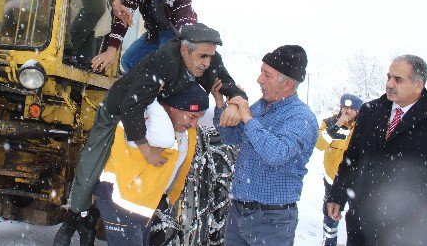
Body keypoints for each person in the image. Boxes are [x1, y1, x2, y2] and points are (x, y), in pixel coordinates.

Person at [53, 23, 246, 246]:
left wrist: (235, 101)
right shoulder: (163, 61)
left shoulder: (207, 59)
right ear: (184, 50)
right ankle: (75, 218)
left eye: (210, 57)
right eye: (202, 56)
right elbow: (131, 105)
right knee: (93, 165)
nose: (207, 62)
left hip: (152, 113)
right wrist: (146, 150)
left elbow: (224, 81)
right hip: (117, 111)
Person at [327, 55, 427, 245]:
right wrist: (338, 194)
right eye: (388, 77)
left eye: (398, 79)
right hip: (362, 222)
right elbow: (353, 158)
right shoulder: (370, 111)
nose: (389, 84)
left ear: (418, 85)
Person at [213, 45, 318, 246]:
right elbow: (229, 137)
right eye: (261, 72)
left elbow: (277, 153)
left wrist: (247, 117)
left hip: (272, 221)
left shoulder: (301, 117)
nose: (259, 80)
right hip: (239, 212)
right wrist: (221, 105)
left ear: (287, 84)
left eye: (267, 75)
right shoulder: (260, 107)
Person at [94, 83, 208, 245]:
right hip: (121, 201)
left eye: (199, 117)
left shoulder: (182, 126)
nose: (194, 124)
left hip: (143, 204)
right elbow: (161, 138)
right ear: (173, 108)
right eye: (192, 116)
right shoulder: (144, 118)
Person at [91, 0, 197, 73]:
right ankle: (140, 87)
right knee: (129, 61)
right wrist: (112, 49)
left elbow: (186, 22)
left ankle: (160, 86)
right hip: (153, 32)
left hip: (174, 34)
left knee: (164, 63)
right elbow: (124, 15)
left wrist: (190, 47)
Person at [315, 93, 363, 246]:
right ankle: (329, 242)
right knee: (331, 214)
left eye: (351, 108)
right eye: (344, 107)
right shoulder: (329, 122)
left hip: (356, 181)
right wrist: (337, 125)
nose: (346, 111)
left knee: (357, 216)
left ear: (358, 111)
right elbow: (319, 144)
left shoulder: (364, 126)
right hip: (333, 180)